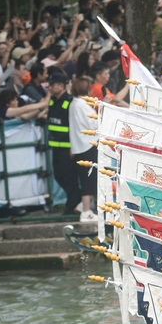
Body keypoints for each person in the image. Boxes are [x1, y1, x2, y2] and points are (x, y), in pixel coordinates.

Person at [45, 67, 81, 217]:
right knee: (59, 176)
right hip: (56, 147)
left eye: (52, 85)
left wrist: (73, 146)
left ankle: (72, 205)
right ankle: (76, 199)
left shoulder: (69, 102)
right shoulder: (53, 100)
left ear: (61, 86)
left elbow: (74, 125)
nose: (49, 87)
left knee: (69, 178)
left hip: (67, 148)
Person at [69, 76, 98, 222]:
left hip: (79, 145)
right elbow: (92, 124)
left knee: (86, 178)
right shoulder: (83, 106)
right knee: (89, 180)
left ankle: (83, 206)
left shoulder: (74, 104)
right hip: (88, 144)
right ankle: (86, 211)